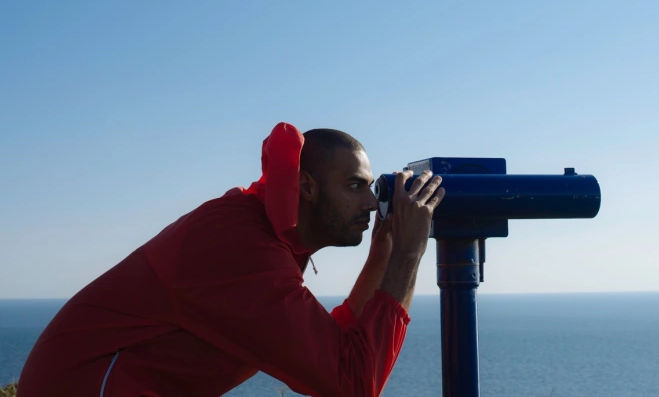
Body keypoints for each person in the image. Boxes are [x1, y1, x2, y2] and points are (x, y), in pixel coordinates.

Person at [18, 122, 445, 397]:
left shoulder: (264, 235)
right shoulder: (241, 249)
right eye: (355, 186)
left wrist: (386, 249)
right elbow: (352, 381)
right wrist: (409, 253)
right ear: (307, 187)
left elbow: (334, 341)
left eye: (372, 188)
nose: (372, 203)